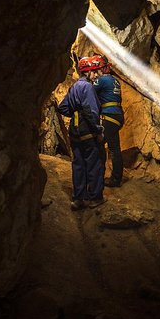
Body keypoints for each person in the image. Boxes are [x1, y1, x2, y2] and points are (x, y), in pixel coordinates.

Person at [57, 56, 106, 210]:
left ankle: (79, 198)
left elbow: (62, 107)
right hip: (88, 132)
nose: (97, 75)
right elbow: (91, 111)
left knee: (78, 165)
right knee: (94, 164)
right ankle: (95, 198)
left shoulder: (74, 87)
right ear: (88, 72)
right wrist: (98, 130)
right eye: (95, 72)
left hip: (75, 132)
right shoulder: (87, 87)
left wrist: (76, 112)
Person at [92, 55, 124, 187]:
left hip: (109, 117)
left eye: (96, 71)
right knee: (115, 148)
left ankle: (99, 177)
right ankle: (116, 178)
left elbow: (88, 90)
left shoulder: (103, 80)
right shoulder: (114, 80)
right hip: (117, 116)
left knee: (98, 144)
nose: (94, 74)